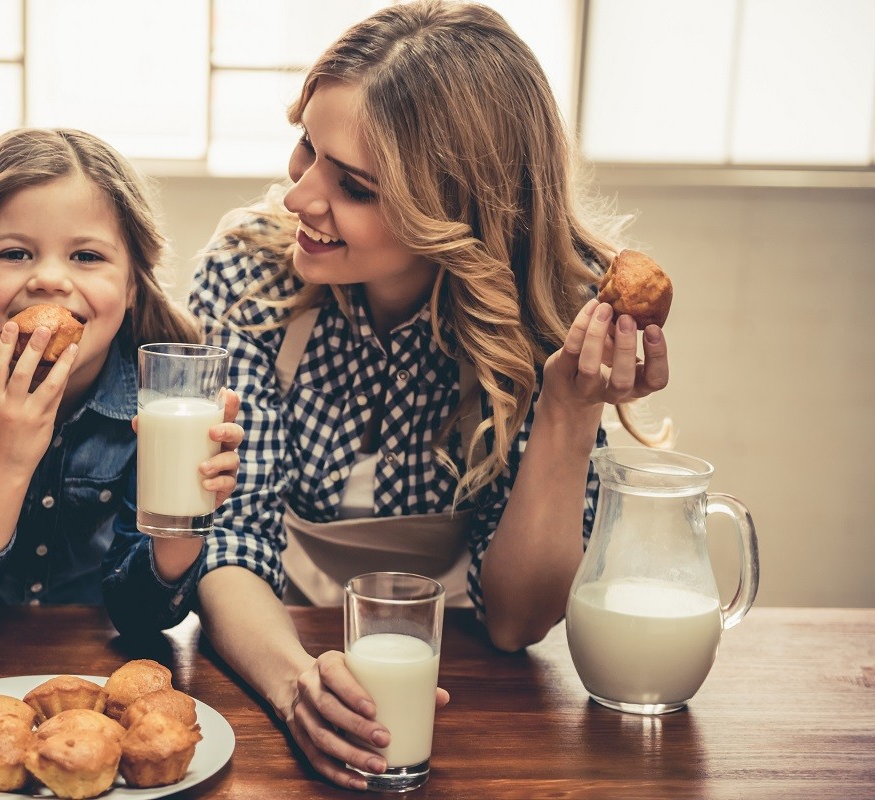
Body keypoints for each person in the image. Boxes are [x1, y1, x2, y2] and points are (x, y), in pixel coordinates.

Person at [186, 1, 671, 790]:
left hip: (469, 703)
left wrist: (569, 410)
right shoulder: (247, 279)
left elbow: (516, 621)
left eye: (356, 188)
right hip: (271, 654)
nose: (300, 199)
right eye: (307, 146)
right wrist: (293, 686)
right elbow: (229, 538)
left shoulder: (558, 318)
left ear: (456, 209)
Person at [0, 127, 242, 644]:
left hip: (83, 647)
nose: (48, 279)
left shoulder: (156, 405)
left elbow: (140, 618)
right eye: (15, 253)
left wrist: (181, 523)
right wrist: (6, 457)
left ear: (131, 284)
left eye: (86, 256)